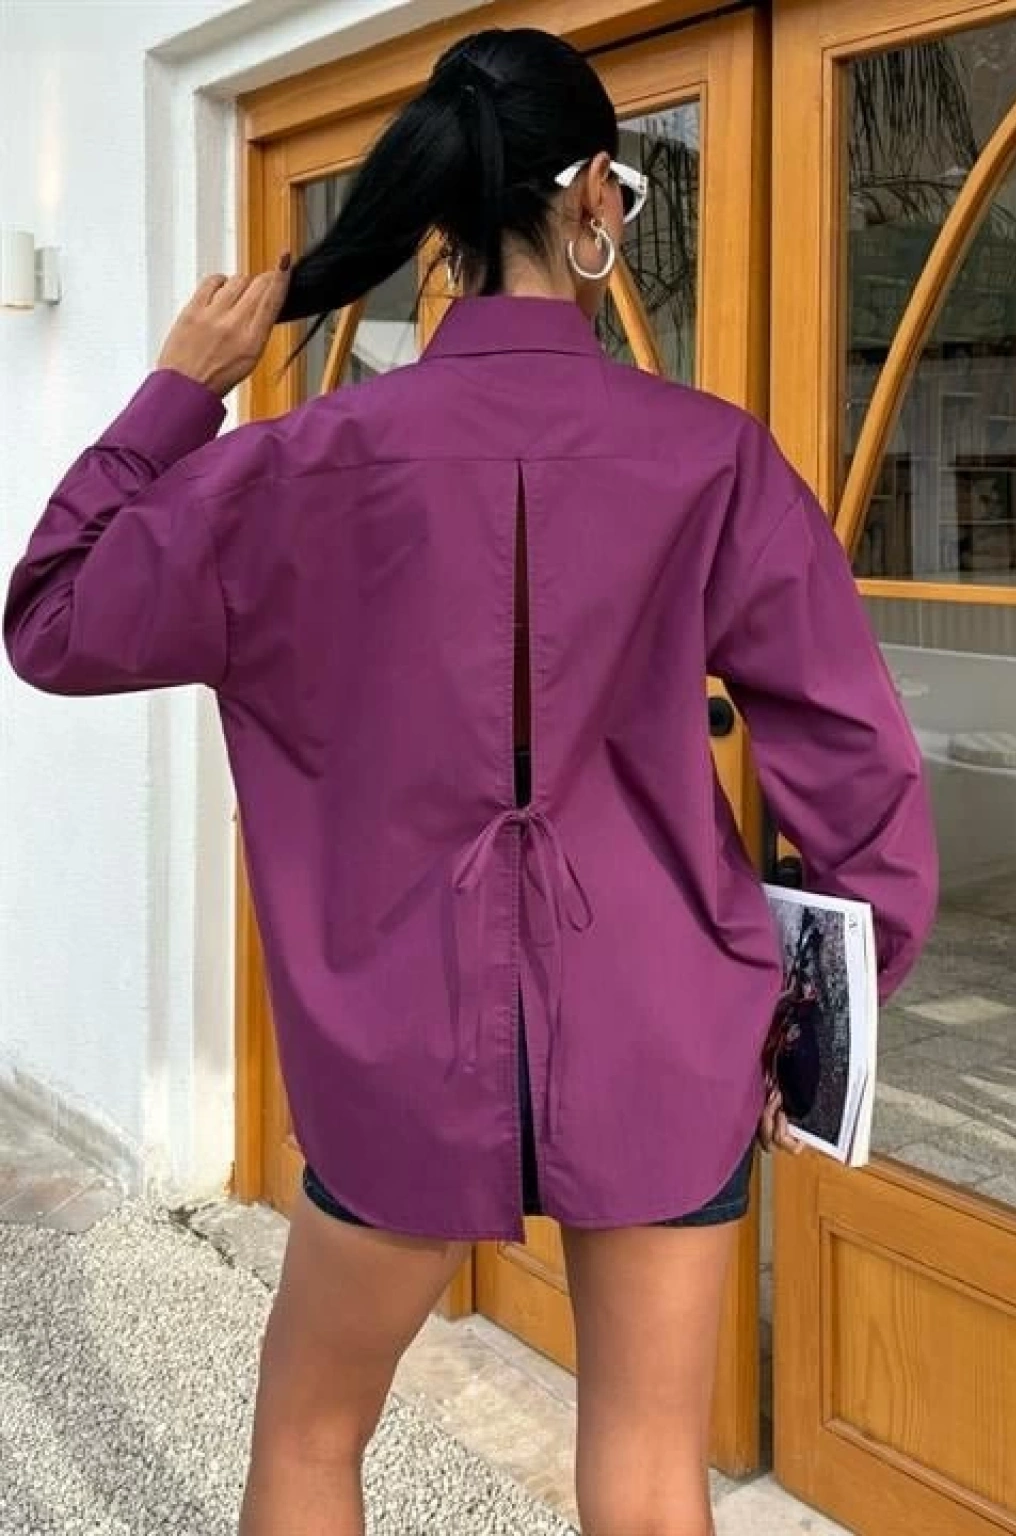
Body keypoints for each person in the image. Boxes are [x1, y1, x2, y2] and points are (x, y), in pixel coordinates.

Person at [3, 26, 938, 1536]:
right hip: (667, 1036)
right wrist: (828, 1016)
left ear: (438, 220)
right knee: (653, 1478)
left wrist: (178, 393)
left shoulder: (292, 469)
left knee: (310, 1439)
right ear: (596, 200)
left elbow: (52, 620)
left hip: (392, 1039)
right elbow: (859, 774)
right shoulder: (711, 459)